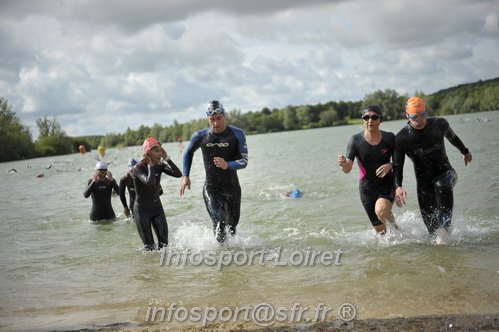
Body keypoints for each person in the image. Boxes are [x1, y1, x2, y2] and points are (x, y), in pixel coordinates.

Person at [393, 97, 473, 244]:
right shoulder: (401, 138)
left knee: (442, 186)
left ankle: (445, 229)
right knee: (431, 232)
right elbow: (398, 165)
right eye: (414, 117)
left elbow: (453, 137)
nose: (420, 119)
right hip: (424, 184)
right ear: (407, 116)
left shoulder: (439, 124)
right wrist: (398, 187)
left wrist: (465, 152)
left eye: (423, 114)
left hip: (446, 172)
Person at [180, 100, 248, 243]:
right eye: (212, 120)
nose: (216, 123)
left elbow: (244, 161)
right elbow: (187, 153)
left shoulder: (237, 134)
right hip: (211, 188)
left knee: (232, 229)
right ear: (208, 119)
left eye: (219, 119)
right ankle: (220, 258)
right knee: (219, 223)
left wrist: (227, 164)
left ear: (224, 116)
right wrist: (185, 176)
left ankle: (232, 261)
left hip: (232, 189)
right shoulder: (200, 136)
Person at [338, 105, 398, 234]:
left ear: (380, 119)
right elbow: (348, 169)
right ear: (363, 120)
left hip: (386, 183)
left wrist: (391, 165)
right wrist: (343, 165)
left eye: (374, 117)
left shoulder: (389, 138)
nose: (370, 121)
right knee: (381, 232)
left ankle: (395, 227)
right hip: (367, 189)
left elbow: (400, 161)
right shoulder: (355, 140)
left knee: (381, 210)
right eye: (366, 117)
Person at [133, 138, 182, 250]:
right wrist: (150, 165)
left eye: (161, 151)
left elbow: (178, 174)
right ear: (148, 153)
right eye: (157, 151)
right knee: (149, 247)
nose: (160, 154)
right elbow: (150, 182)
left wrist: (167, 159)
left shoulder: (160, 165)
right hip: (142, 211)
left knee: (164, 246)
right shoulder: (138, 168)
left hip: (157, 209)